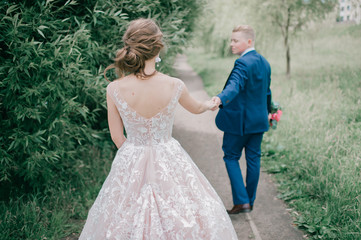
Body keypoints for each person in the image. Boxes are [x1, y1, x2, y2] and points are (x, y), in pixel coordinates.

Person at [79, 18, 238, 240]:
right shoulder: (174, 85)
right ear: (157, 48)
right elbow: (197, 108)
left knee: (120, 216)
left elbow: (117, 136)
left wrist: (135, 158)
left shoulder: (114, 88)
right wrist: (212, 104)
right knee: (186, 212)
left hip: (131, 155)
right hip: (169, 155)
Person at [212, 25, 272, 214]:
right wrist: (268, 113)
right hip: (258, 121)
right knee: (253, 159)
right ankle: (249, 201)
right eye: (231, 40)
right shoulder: (264, 62)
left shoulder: (243, 63)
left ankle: (241, 201)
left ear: (249, 41)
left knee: (231, 157)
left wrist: (220, 98)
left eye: (235, 40)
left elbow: (234, 85)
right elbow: (267, 92)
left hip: (239, 123)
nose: (231, 44)